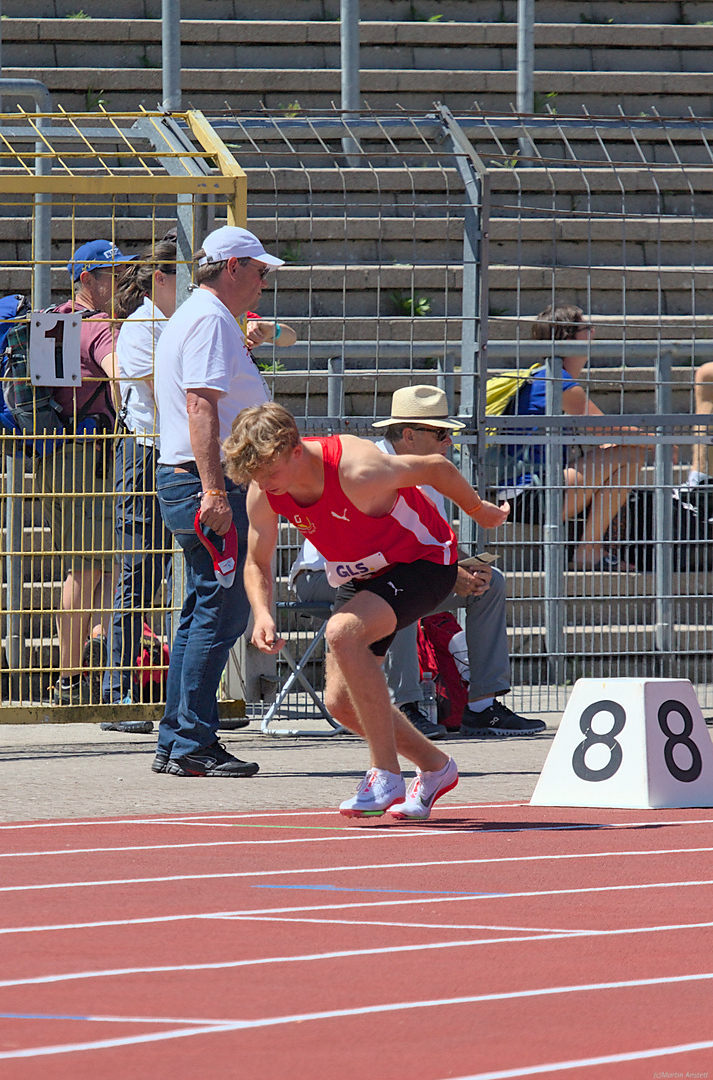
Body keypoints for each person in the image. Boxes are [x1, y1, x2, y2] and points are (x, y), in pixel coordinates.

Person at [225, 400, 509, 820]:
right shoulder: (265, 490)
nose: (266, 485)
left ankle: (385, 774)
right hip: (362, 576)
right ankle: (435, 767)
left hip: (424, 562)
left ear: (296, 449)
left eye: (271, 474)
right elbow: (256, 561)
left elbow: (436, 467)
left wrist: (480, 511)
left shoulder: (358, 468)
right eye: (257, 478)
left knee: (343, 632)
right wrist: (262, 613)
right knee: (342, 704)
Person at [291, 386, 544, 739]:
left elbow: (426, 544)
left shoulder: (427, 472)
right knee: (399, 590)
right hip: (323, 575)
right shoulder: (369, 467)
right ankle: (404, 707)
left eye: (450, 434)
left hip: (388, 566)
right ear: (409, 435)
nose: (449, 443)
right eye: (441, 433)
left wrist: (463, 569)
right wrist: (447, 570)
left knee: (491, 581)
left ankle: (482, 707)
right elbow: (392, 553)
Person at [152, 225, 284, 778]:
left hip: (194, 477)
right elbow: (200, 407)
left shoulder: (202, 315)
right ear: (233, 267)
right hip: (205, 481)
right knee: (219, 611)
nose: (263, 282)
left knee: (204, 611)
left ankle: (179, 737)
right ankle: (190, 743)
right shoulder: (208, 319)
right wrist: (213, 489)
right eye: (259, 271)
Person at [41, 239, 132, 706]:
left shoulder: (50, 322)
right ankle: (71, 678)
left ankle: (91, 652)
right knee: (91, 566)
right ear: (86, 280)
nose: (119, 284)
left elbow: (50, 392)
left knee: (97, 563)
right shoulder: (99, 328)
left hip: (52, 455)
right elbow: (120, 376)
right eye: (110, 275)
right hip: (91, 456)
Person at [98, 236, 177, 723]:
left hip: (177, 454)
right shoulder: (141, 326)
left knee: (180, 576)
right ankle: (117, 688)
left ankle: (187, 694)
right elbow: (165, 392)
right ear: (163, 278)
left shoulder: (177, 323)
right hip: (145, 452)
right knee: (139, 570)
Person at [504, 304, 645, 571]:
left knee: (620, 455)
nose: (593, 332)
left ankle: (590, 549)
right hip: (532, 496)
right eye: (585, 329)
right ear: (567, 338)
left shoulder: (545, 374)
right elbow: (607, 429)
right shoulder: (559, 381)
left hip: (523, 494)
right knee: (632, 455)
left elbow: (604, 435)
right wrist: (661, 441)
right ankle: (588, 552)